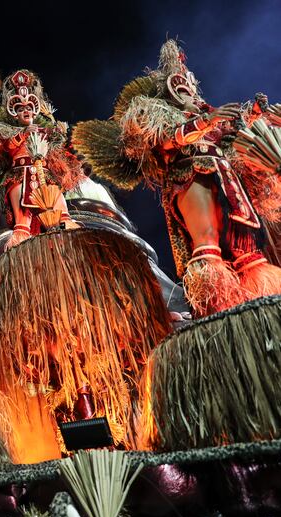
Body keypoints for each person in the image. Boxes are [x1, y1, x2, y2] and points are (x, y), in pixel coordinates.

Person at [73, 39, 281, 316]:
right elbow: (166, 140)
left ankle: (264, 311)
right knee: (207, 244)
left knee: (246, 251)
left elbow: (236, 140)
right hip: (191, 175)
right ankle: (217, 310)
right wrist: (207, 122)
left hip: (228, 181)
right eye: (181, 86)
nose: (189, 91)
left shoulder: (212, 117)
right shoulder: (158, 114)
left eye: (191, 86)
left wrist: (253, 115)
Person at [0, 67, 83, 249]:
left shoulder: (43, 130)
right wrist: (22, 135)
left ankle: (66, 225)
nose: (26, 111)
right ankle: (21, 233)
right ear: (14, 112)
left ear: (35, 110)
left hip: (44, 175)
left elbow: (56, 145)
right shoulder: (7, 132)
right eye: (21, 108)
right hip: (21, 175)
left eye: (29, 107)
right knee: (21, 201)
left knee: (57, 200)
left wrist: (59, 131)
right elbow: (6, 148)